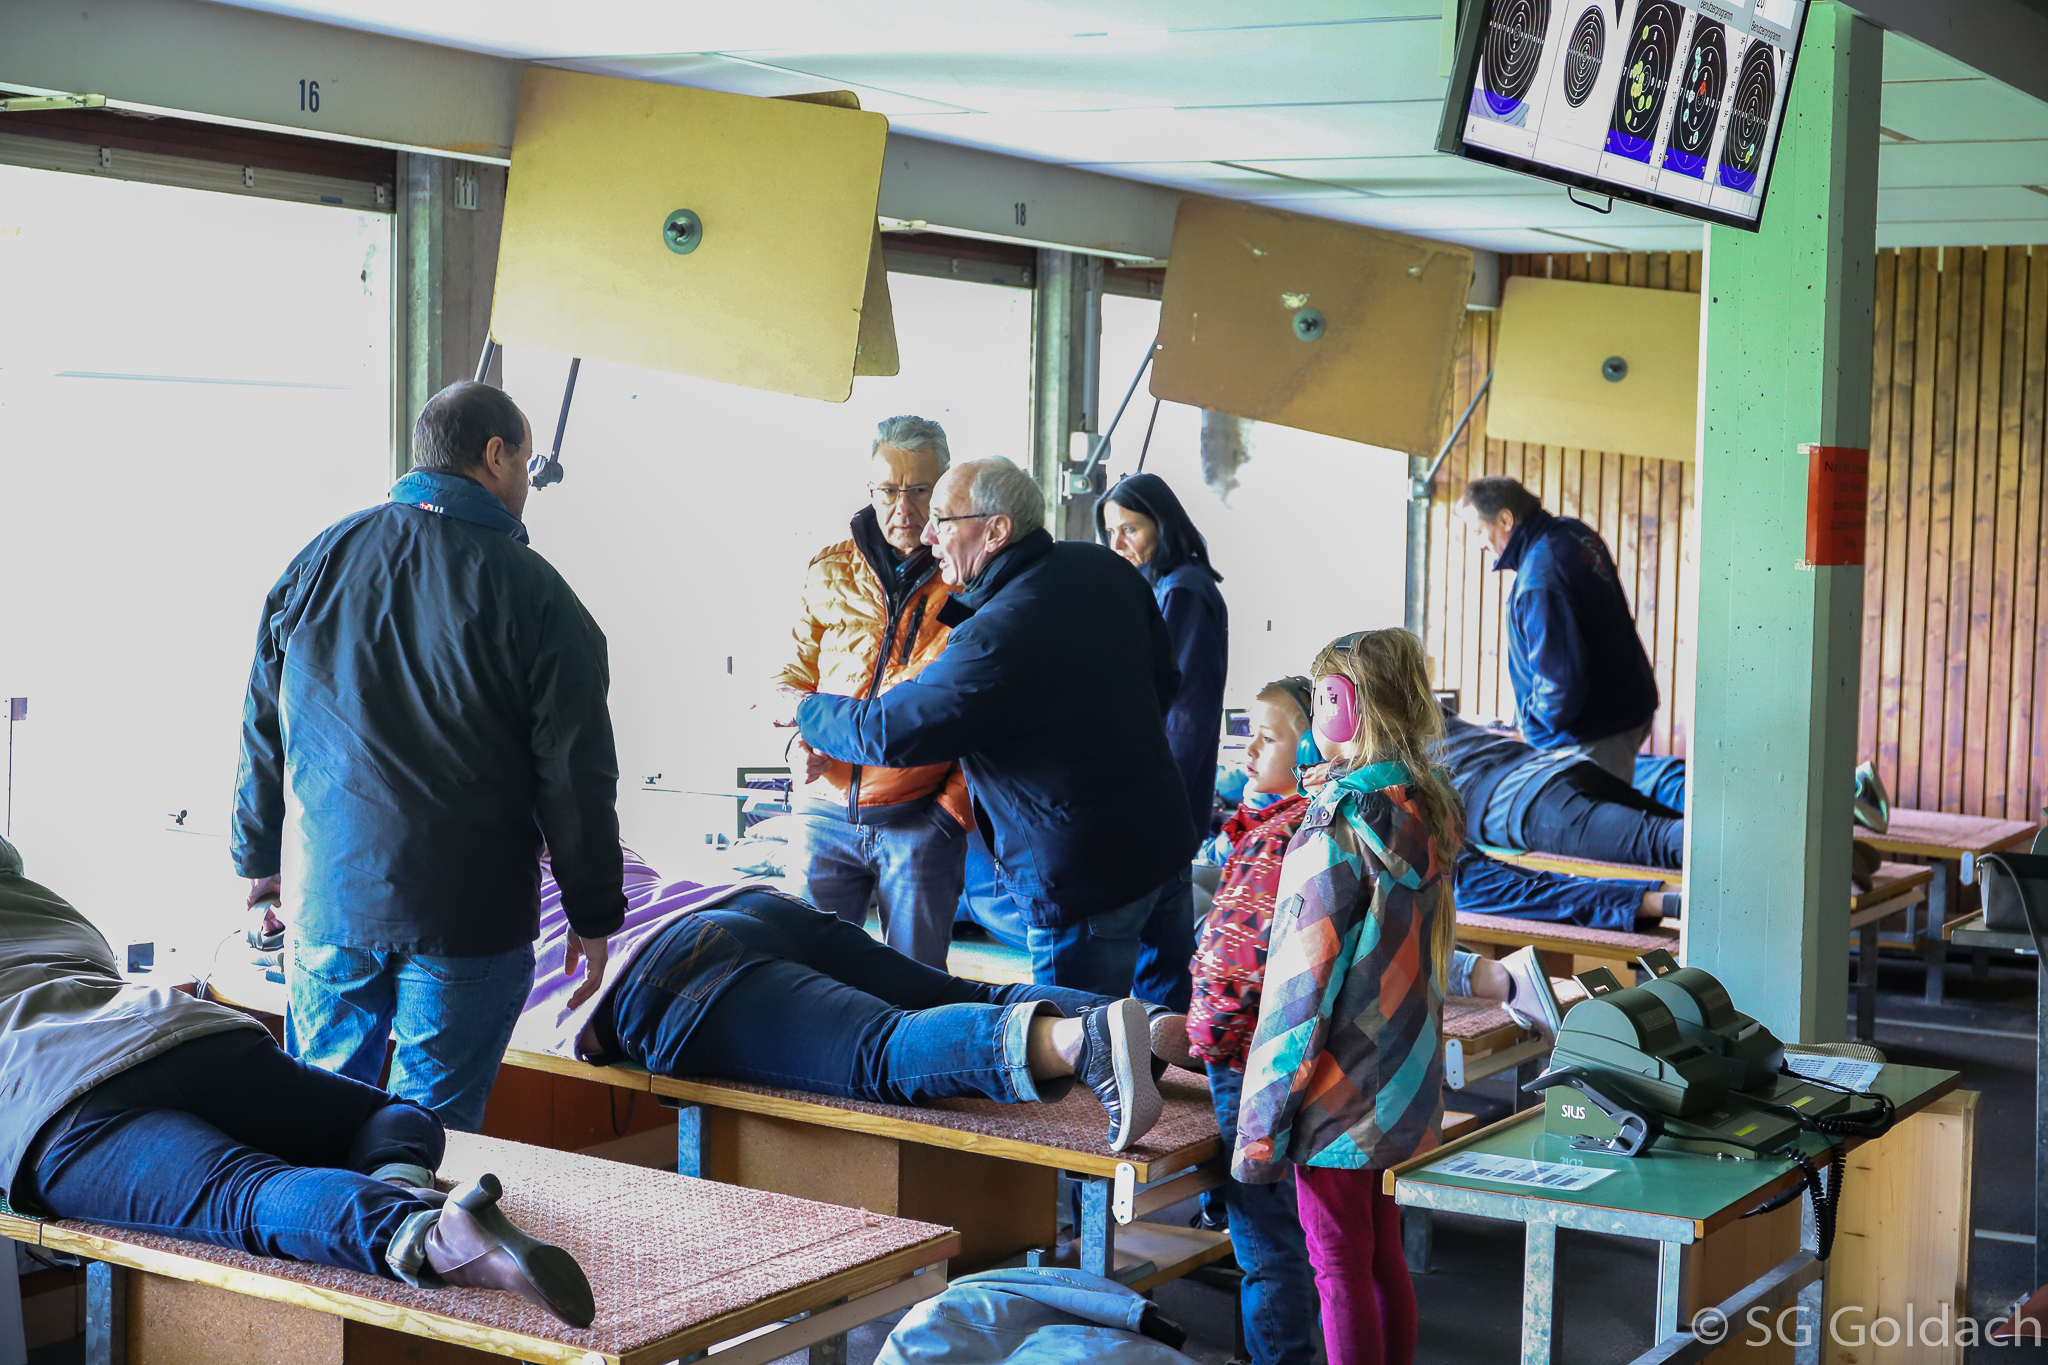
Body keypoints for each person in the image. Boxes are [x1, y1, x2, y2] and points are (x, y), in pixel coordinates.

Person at [233, 380, 625, 1131]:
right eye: (526, 462)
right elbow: (576, 773)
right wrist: (592, 908)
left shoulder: (318, 560)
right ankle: (407, 1206)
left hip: (330, 901)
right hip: (468, 917)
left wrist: (259, 865)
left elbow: (263, 725)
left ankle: (332, 1210)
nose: (527, 484)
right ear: (495, 454)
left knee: (319, 1124)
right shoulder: (540, 594)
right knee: (426, 1139)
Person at [0, 835, 596, 1328]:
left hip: (55, 1100)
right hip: (189, 1033)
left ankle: (430, 1235)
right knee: (389, 1113)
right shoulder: (36, 898)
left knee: (247, 1194)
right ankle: (400, 1181)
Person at [791, 458, 1199, 1011]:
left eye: (942, 518)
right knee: (1168, 1028)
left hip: (1083, 877)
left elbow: (892, 731)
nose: (927, 535)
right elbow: (1164, 681)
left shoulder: (996, 632)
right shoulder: (1102, 566)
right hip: (1163, 843)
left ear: (996, 530)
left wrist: (803, 709)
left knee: (1081, 1043)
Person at [513, 852, 1175, 1152]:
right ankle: (1153, 1027)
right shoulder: (546, 816)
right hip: (741, 905)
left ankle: (1081, 1043)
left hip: (659, 973)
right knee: (963, 992)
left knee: (878, 1049)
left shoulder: (465, 874)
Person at [1234, 629, 1463, 1365]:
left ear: (1344, 706)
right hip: (1403, 1082)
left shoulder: (1334, 826)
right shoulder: (1422, 809)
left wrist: (1263, 1122)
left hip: (1336, 1089)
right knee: (1381, 1256)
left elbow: (1299, 991)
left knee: (1337, 1267)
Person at [772, 416, 970, 968]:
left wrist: (948, 814)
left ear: (946, 487)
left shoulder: (969, 579)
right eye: (888, 490)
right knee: (808, 979)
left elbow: (992, 709)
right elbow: (790, 679)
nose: (903, 508)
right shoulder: (829, 566)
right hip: (822, 812)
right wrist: (794, 747)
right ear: (870, 489)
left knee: (917, 990)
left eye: (920, 490)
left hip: (921, 822)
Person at [1455, 477, 1659, 781]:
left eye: (1478, 531)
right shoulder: (1573, 532)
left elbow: (1559, 685)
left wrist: (1530, 731)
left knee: (1587, 813)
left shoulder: (1540, 577)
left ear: (1505, 519)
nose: (1480, 544)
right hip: (1625, 708)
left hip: (1594, 733)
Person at [1097, 473, 1229, 846]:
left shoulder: (1182, 591)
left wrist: (1154, 801)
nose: (1117, 543)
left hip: (1158, 799)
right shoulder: (1154, 585)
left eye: (1130, 529)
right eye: (1111, 532)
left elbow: (1185, 708)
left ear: (1162, 525)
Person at [1439, 706, 1684, 869]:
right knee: (1681, 831)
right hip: (1560, 766)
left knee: (1665, 842)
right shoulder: (1422, 705)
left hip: (1520, 803)